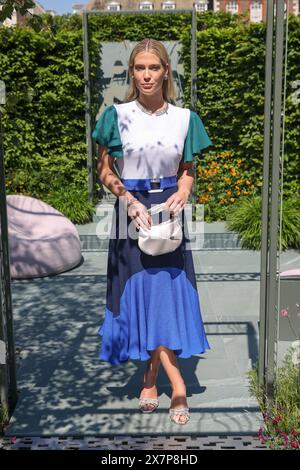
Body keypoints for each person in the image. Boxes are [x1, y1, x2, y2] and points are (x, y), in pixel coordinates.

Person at [91, 38, 213, 425]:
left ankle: (148, 376)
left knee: (165, 293)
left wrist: (184, 188)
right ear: (132, 72)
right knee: (139, 293)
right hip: (132, 211)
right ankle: (176, 380)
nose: (146, 75)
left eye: (153, 68)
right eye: (139, 68)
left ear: (165, 72)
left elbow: (188, 168)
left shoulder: (184, 118)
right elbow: (105, 171)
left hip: (169, 212)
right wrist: (127, 198)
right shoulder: (115, 116)